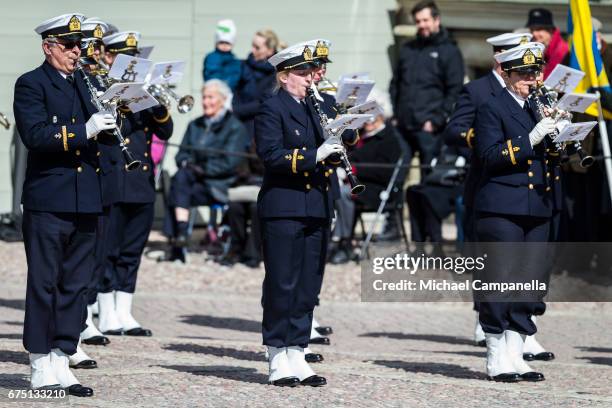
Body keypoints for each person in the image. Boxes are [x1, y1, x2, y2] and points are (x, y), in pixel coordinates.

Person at [14, 13, 118, 397]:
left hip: (86, 198)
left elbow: (104, 144)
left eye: (80, 46)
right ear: (49, 47)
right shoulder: (31, 84)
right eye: (70, 46)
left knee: (75, 284)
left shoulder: (86, 84)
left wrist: (111, 123)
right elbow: (36, 135)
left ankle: (62, 355)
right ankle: (40, 362)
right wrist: (83, 131)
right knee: (45, 282)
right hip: (49, 199)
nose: (77, 52)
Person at [256, 41, 343, 387]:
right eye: (303, 72)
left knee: (308, 284)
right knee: (282, 284)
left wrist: (339, 141)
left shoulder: (316, 106)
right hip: (284, 207)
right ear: (284, 75)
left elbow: (332, 145)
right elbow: (272, 156)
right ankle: (278, 355)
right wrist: (316, 154)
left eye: (311, 72)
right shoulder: (271, 108)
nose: (311, 78)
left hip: (316, 206)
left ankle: (298, 351)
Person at [474, 41, 559, 382]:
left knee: (532, 281)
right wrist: (532, 139)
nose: (531, 79)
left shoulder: (539, 106)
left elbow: (550, 159)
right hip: (502, 206)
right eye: (523, 73)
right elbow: (490, 156)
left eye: (535, 72)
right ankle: (496, 352)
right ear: (506, 74)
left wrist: (561, 135)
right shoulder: (490, 107)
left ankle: (516, 348)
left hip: (537, 204)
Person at [445, 32, 532, 347]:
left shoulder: (531, 93)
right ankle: (486, 318)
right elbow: (454, 130)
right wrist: (484, 138)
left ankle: (519, 328)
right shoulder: (478, 89)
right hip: (488, 181)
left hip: (525, 186)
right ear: (500, 57)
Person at [96, 31, 174, 337]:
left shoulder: (143, 93)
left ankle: (124, 311)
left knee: (132, 249)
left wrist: (153, 103)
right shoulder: (99, 87)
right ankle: (105, 312)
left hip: (140, 179)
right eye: (123, 57)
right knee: (108, 248)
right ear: (109, 57)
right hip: (113, 179)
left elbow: (165, 131)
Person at [163, 79, 249, 262]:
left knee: (178, 189)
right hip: (193, 184)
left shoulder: (234, 127)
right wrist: (189, 164)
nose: (205, 102)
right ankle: (180, 236)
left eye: (210, 97)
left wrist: (201, 169)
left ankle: (178, 241)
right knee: (180, 184)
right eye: (204, 97)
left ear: (223, 100)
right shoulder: (195, 124)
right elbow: (180, 155)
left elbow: (230, 162)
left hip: (219, 186)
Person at [389, 0, 464, 179]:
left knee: (429, 178)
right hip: (403, 126)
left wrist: (436, 120)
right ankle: (394, 207)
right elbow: (395, 84)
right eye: (418, 21)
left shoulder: (449, 51)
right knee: (396, 174)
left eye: (425, 20)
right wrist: (396, 114)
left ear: (436, 20)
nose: (421, 25)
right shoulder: (408, 49)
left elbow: (455, 90)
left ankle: (423, 208)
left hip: (430, 128)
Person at [233, 29, 279, 138]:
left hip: (259, 129)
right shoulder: (243, 66)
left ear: (270, 51)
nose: (252, 50)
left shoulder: (277, 74)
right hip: (236, 125)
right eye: (252, 45)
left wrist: (234, 110)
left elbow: (264, 103)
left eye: (257, 47)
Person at [525, 8, 568, 79]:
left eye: (539, 29)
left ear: (550, 30)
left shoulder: (564, 51)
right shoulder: (534, 49)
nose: (534, 33)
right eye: (532, 30)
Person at [202, 19, 241, 91]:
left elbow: (236, 77)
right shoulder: (211, 57)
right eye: (221, 42)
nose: (224, 45)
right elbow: (211, 75)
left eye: (227, 43)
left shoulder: (235, 61)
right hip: (214, 91)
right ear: (216, 43)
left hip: (230, 93)